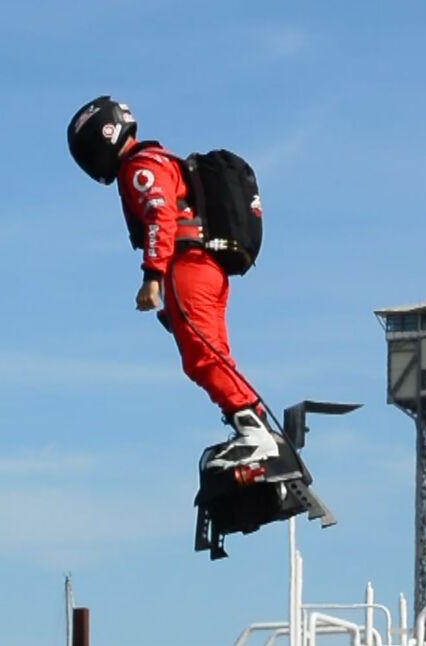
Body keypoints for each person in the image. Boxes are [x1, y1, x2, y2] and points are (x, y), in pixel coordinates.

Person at [65, 94, 278, 470]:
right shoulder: (161, 159)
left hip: (187, 264)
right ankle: (254, 423)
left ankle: (254, 434)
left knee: (200, 356)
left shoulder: (139, 167)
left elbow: (159, 215)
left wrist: (152, 276)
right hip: (208, 267)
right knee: (213, 352)